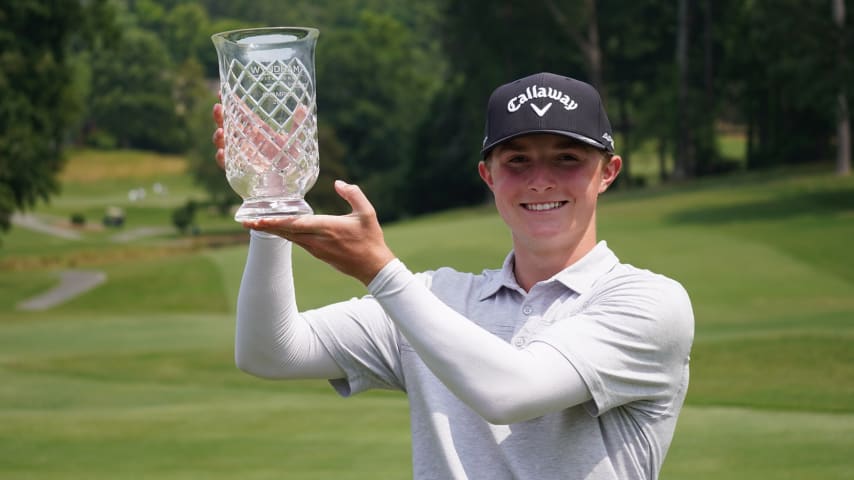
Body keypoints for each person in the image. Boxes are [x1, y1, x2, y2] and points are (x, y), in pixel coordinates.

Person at [212, 72, 694, 480]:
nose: (541, 180)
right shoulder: (435, 299)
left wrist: (380, 272)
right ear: (488, 176)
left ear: (607, 173)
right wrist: (271, 204)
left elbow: (510, 393)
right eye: (517, 160)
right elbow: (270, 352)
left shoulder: (651, 303)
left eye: (567, 158)